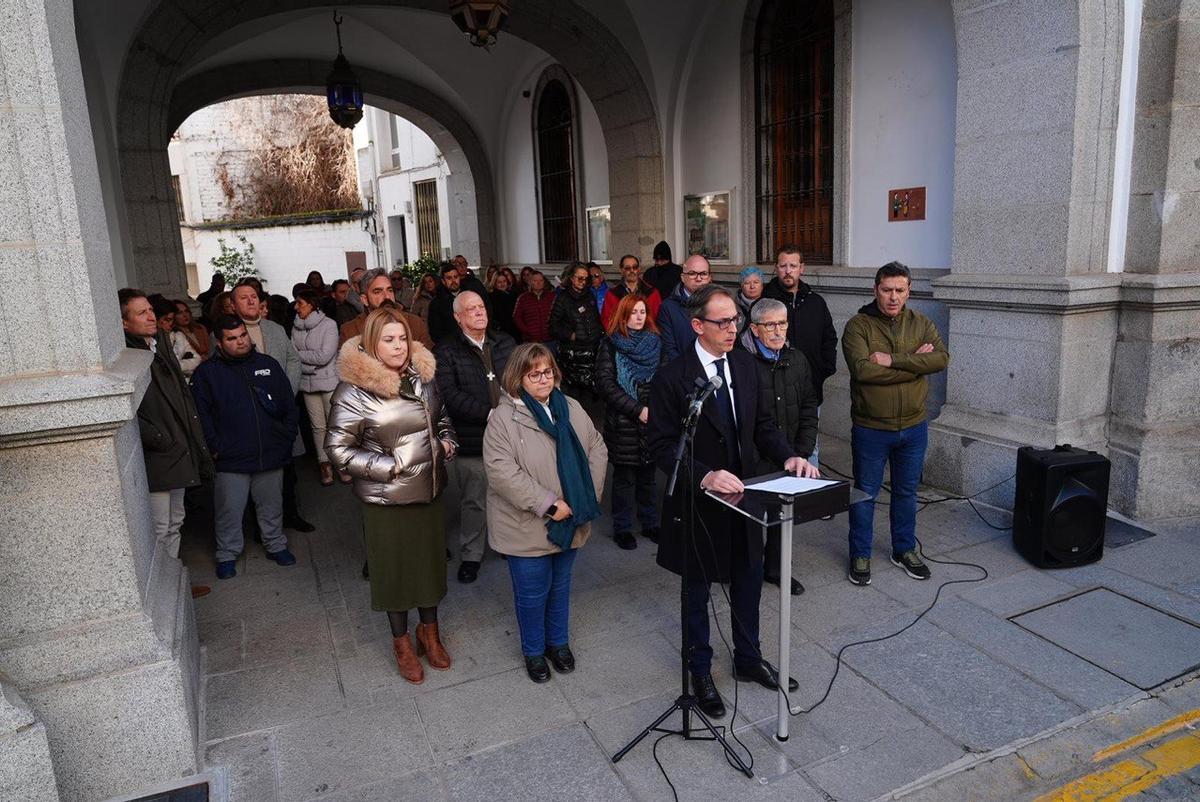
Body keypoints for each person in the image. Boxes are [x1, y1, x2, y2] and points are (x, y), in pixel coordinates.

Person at [646, 285, 812, 719]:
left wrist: (788, 454)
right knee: (697, 591)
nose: (732, 328)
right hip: (698, 503)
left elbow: (761, 425)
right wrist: (704, 475)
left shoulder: (743, 362)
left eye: (735, 320)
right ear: (697, 325)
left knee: (748, 580)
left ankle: (748, 657)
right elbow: (662, 446)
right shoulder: (672, 377)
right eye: (722, 322)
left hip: (745, 497)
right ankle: (700, 671)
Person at [325, 307, 457, 684]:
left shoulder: (423, 376)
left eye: (403, 338)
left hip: (429, 491)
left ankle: (429, 633)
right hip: (387, 500)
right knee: (395, 573)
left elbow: (442, 417)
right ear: (371, 343)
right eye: (389, 340)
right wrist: (390, 467)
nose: (399, 346)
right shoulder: (353, 391)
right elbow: (338, 449)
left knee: (429, 566)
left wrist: (446, 441)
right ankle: (401, 642)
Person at [483, 343, 607, 683]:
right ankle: (534, 651)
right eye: (534, 374)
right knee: (532, 592)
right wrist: (549, 503)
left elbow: (597, 448)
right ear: (518, 377)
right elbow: (500, 471)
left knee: (561, 586)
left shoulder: (570, 406)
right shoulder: (504, 417)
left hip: (573, 518)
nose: (543, 379)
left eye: (548, 372)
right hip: (526, 524)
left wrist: (585, 497)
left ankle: (558, 643)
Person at [842, 262, 950, 587]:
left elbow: (940, 359)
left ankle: (903, 549)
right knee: (865, 494)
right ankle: (860, 553)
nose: (893, 297)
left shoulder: (921, 322)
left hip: (914, 427)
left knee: (906, 492)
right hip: (872, 428)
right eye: (887, 289)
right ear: (876, 289)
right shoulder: (858, 326)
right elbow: (863, 371)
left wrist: (894, 360)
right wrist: (917, 364)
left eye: (899, 290)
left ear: (909, 291)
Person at [191, 316, 300, 579]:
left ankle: (275, 545)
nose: (240, 341)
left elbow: (288, 405)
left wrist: (284, 439)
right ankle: (227, 554)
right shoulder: (207, 374)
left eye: (243, 335)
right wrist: (215, 448)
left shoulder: (268, 365)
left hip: (270, 454)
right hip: (231, 458)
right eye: (232, 338)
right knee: (229, 509)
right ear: (219, 341)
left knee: (272, 505)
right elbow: (201, 416)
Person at [120, 289, 213, 559]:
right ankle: (165, 583)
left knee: (176, 521)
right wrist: (159, 438)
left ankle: (174, 580)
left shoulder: (159, 341)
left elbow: (179, 394)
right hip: (159, 452)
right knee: (160, 527)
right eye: (142, 313)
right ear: (124, 323)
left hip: (178, 444)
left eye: (150, 309)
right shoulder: (128, 354)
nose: (151, 316)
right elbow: (132, 410)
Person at [434, 290, 515, 583]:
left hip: (509, 434)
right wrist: (490, 413)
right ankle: (471, 554)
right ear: (458, 317)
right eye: (471, 309)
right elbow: (449, 394)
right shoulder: (446, 351)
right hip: (473, 437)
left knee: (509, 492)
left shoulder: (504, 342)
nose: (480, 312)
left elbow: (519, 379)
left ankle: (508, 543)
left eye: (481, 307)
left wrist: (510, 410)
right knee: (475, 498)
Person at [740, 298, 819, 596]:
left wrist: (802, 450)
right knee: (748, 520)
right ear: (755, 329)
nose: (777, 331)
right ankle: (745, 571)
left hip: (790, 455)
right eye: (769, 325)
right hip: (754, 458)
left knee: (781, 518)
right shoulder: (742, 361)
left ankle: (776, 570)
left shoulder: (797, 359)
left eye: (782, 323)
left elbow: (810, 405)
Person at [231, 282, 312, 532]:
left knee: (287, 468)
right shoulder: (228, 332)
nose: (251, 301)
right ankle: (259, 525)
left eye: (254, 296)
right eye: (244, 298)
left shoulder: (275, 329)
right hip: (249, 415)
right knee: (255, 471)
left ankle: (291, 515)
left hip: (279, 410)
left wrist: (286, 392)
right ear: (233, 305)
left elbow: (293, 360)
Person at [594, 293, 661, 550]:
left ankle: (650, 523)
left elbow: (664, 378)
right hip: (624, 422)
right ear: (623, 315)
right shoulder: (611, 344)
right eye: (633, 312)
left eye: (642, 312)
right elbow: (606, 384)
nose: (638, 317)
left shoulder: (656, 342)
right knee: (624, 479)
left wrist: (654, 409)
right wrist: (637, 410)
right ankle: (622, 528)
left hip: (652, 419)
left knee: (649, 477)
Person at [762, 244, 838, 466]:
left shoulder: (815, 302)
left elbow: (829, 338)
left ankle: (808, 494)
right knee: (774, 449)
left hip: (809, 390)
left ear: (801, 268)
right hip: (771, 392)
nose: (788, 271)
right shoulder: (765, 303)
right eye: (783, 265)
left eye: (793, 266)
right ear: (776, 268)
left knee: (809, 446)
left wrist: (824, 369)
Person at [291, 289, 340, 486]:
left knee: (334, 426)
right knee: (317, 428)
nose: (296, 307)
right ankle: (325, 465)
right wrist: (311, 362)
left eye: (300, 303)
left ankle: (340, 464)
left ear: (311, 304)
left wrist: (304, 360)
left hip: (328, 383)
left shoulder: (329, 325)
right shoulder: (295, 327)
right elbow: (291, 355)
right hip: (307, 385)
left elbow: (325, 356)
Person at [549, 262, 604, 423]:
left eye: (586, 279)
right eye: (579, 278)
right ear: (571, 278)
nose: (583, 282)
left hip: (592, 351)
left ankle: (589, 426)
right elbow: (553, 326)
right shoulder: (562, 298)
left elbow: (595, 319)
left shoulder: (589, 295)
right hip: (572, 354)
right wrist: (571, 335)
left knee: (591, 394)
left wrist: (598, 332)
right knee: (574, 396)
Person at [339, 268, 433, 350]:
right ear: (364, 299)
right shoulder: (350, 331)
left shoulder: (415, 323)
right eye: (377, 292)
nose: (387, 297)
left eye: (390, 290)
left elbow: (428, 364)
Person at [657, 253, 712, 362]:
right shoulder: (668, 307)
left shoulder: (719, 303)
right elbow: (669, 350)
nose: (698, 278)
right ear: (683, 277)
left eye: (703, 274)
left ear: (710, 277)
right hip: (684, 372)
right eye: (692, 273)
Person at [600, 254, 661, 329]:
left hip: (647, 337)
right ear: (621, 270)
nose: (632, 271)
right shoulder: (612, 294)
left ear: (639, 269)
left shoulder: (652, 293)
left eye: (634, 267)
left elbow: (658, 320)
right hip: (621, 337)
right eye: (628, 268)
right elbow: (607, 321)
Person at [153, 296, 202, 378]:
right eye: (166, 319)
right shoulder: (151, 340)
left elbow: (197, 359)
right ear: (156, 319)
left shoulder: (178, 336)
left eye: (172, 319)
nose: (170, 323)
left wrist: (175, 366)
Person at [512, 270, 555, 344]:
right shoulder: (523, 298)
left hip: (550, 339)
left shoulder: (552, 297)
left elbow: (559, 315)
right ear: (530, 282)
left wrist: (553, 329)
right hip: (530, 340)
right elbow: (516, 317)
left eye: (541, 280)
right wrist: (527, 331)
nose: (538, 283)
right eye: (535, 280)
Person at [428, 261, 463, 343]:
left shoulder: (470, 296)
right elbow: (435, 332)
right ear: (443, 281)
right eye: (449, 278)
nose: (453, 281)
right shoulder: (436, 303)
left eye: (456, 277)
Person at [487, 269, 521, 342]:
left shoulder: (513, 294)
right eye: (499, 282)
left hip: (515, 330)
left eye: (504, 281)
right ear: (494, 283)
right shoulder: (492, 297)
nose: (502, 284)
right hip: (501, 332)